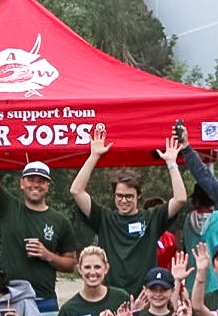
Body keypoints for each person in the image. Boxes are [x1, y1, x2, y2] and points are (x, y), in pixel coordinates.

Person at [68, 124, 189, 291]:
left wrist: (171, 163)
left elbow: (181, 198)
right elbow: (76, 191)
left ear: (138, 196)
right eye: (119, 196)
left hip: (146, 297)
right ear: (114, 195)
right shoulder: (104, 218)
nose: (124, 201)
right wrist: (94, 156)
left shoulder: (152, 218)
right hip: (112, 296)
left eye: (129, 196)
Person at [0, 121, 75, 311]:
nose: (35, 185)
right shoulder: (8, 207)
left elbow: (71, 264)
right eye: (30, 180)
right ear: (22, 183)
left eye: (41, 181)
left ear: (48, 186)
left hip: (44, 301)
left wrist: (48, 255)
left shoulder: (60, 221)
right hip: (9, 298)